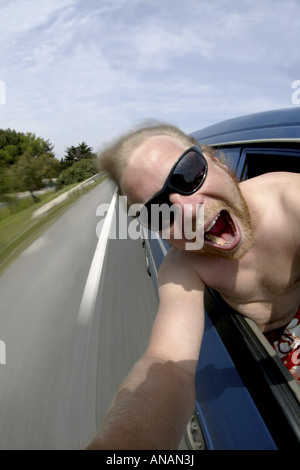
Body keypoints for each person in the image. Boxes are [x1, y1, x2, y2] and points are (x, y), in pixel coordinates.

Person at [86, 124, 300, 450]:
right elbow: (168, 365)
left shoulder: (291, 202)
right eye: (160, 212)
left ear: (218, 162)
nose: (188, 212)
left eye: (188, 175)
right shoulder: (183, 265)